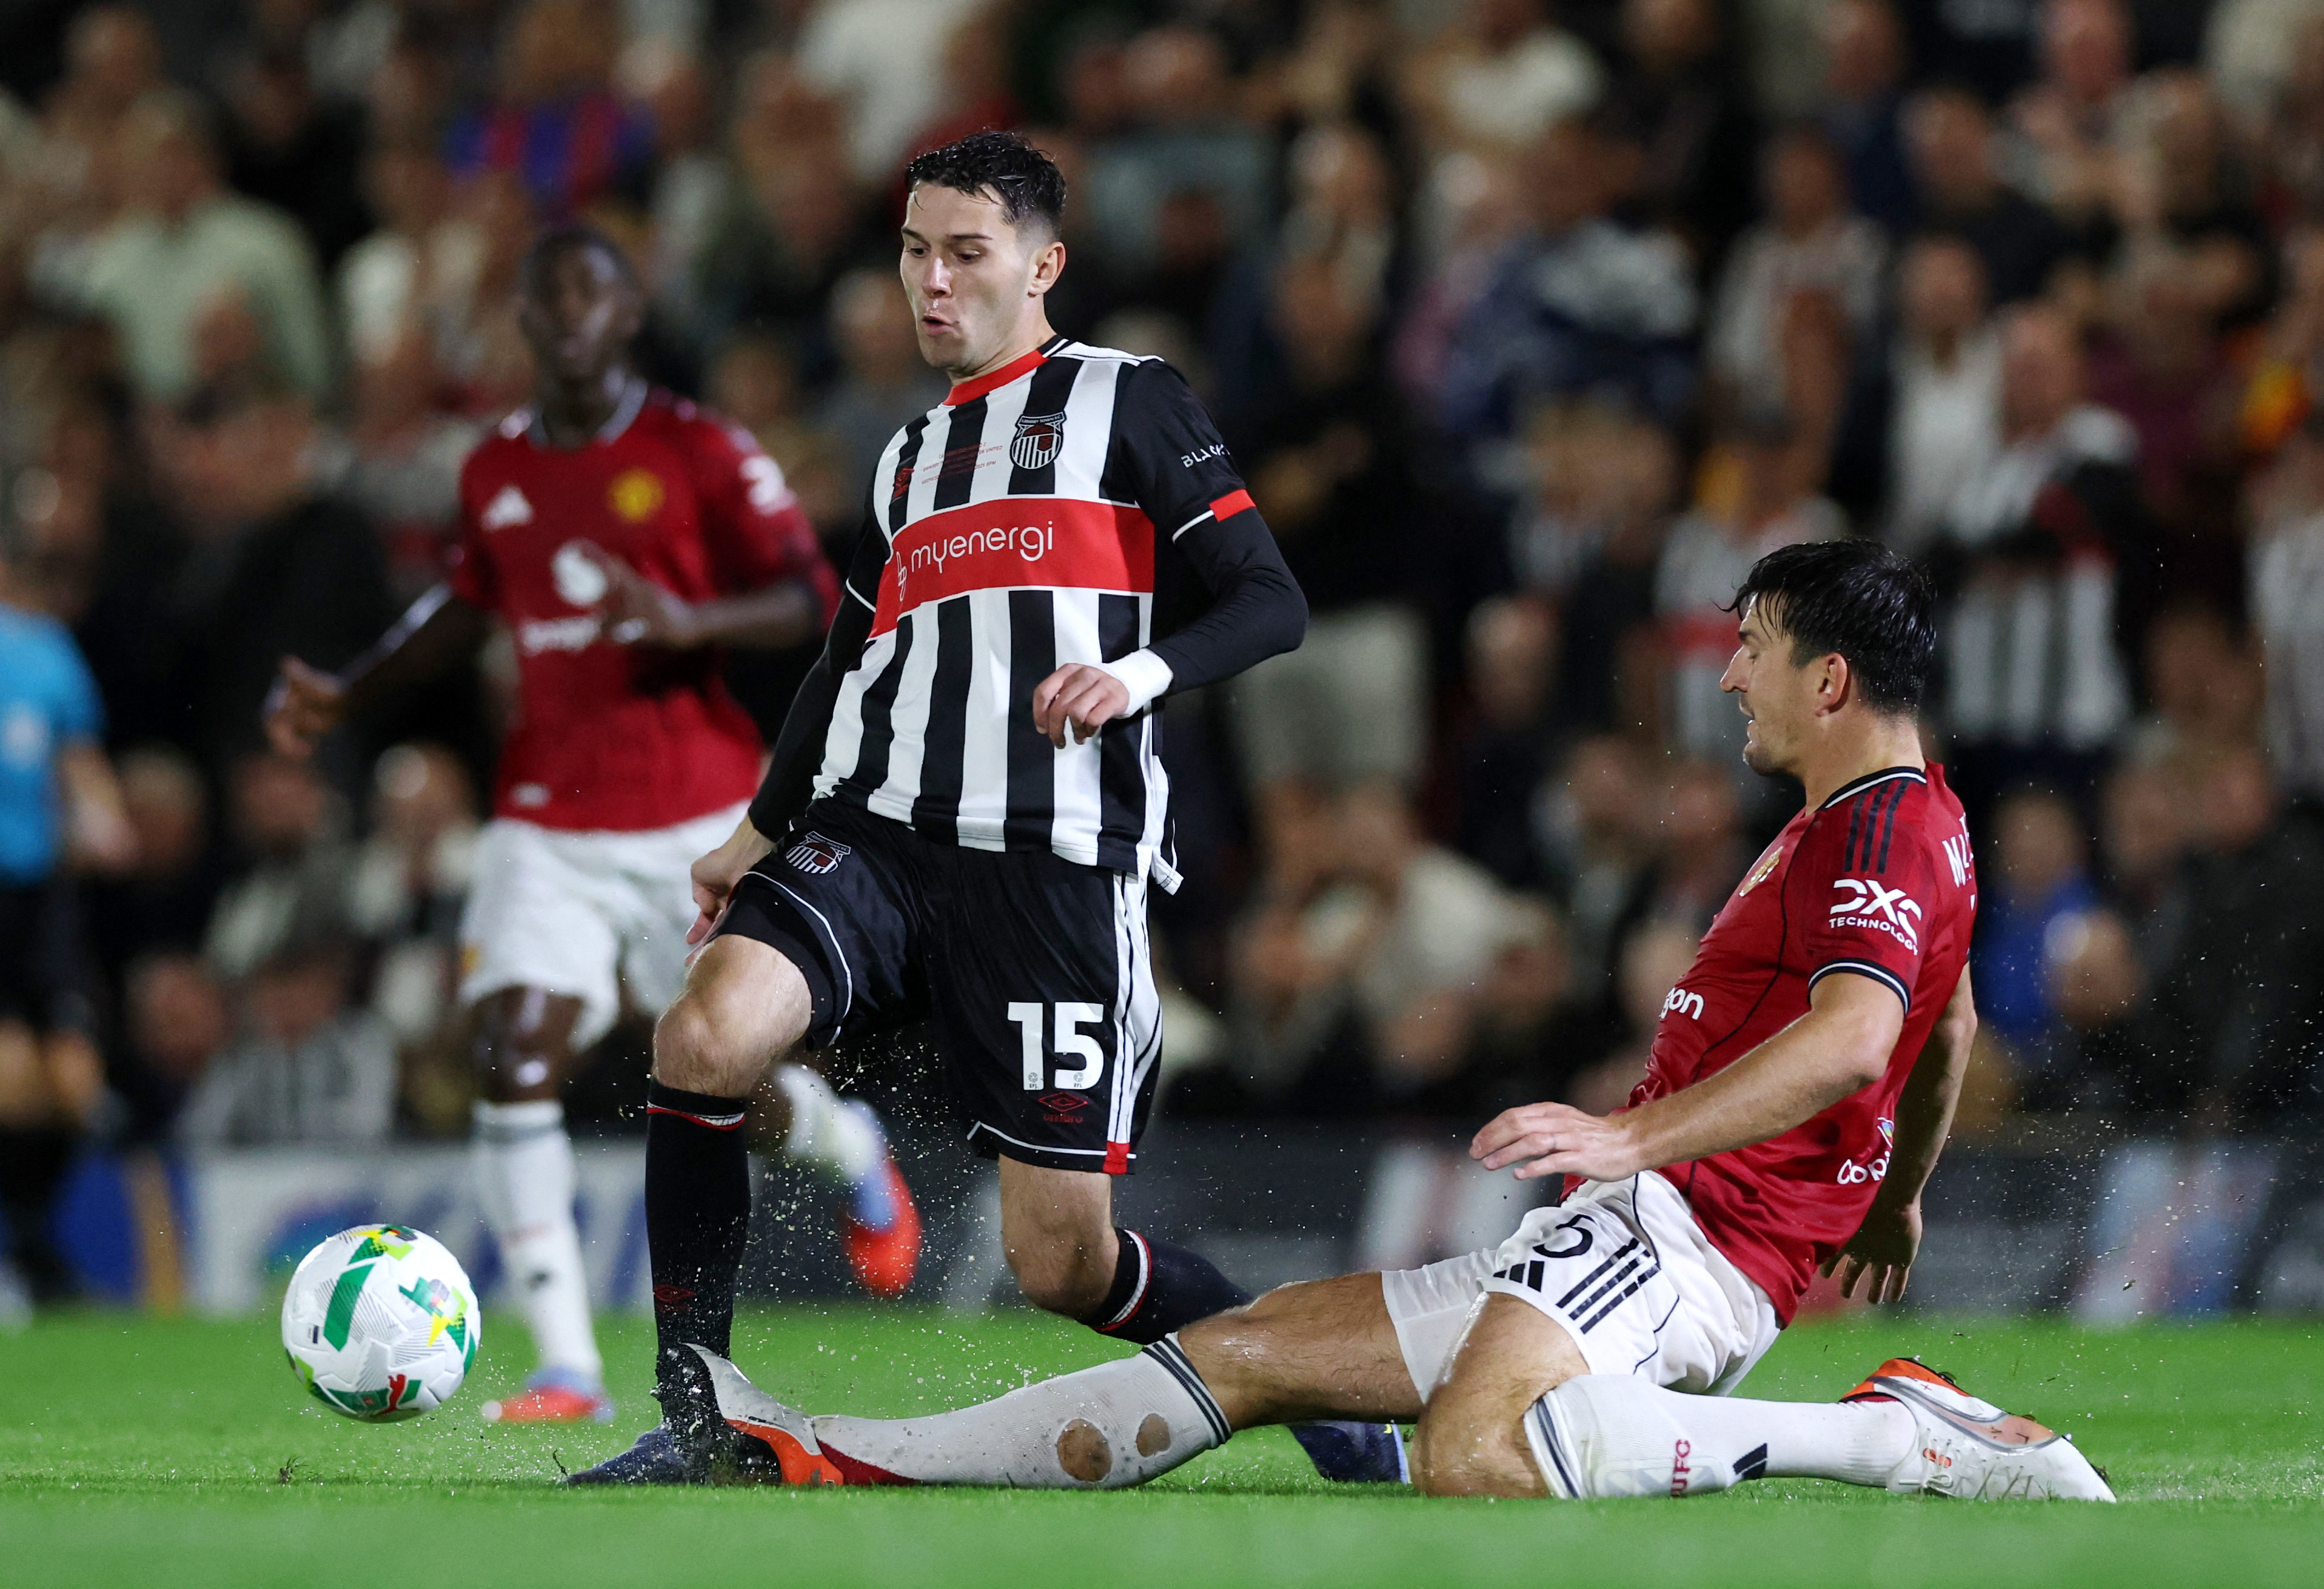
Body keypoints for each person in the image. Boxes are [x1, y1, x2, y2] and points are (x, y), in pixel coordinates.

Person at [663, 540, 2114, 1507]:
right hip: (1661, 1226)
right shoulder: (1917, 824)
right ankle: (834, 1451)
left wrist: (1634, 1135)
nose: (1731, 673)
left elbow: (1861, 1037)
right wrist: (1898, 1193)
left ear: (1830, 678)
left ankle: (1889, 1435)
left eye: (1754, 647)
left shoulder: (1875, 828)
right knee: (1253, 1346)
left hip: (1689, 1236)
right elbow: (1943, 1023)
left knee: (1476, 1453)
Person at [571, 131, 1398, 1487]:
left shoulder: (1129, 399)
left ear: (1043, 265)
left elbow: (1271, 599)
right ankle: (698, 1409)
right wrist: (754, 835)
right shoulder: (905, 459)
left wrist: (1136, 673)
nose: (933, 281)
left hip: (1054, 861)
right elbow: (844, 664)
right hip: (885, 835)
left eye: (967, 252)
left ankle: (1309, 1378)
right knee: (705, 1032)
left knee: (1062, 1262)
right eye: (915, 251)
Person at [264, 224, 921, 1426]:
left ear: (628, 314)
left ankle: (846, 1144)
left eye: (592, 292)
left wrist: (688, 619)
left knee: (727, 1074)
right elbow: (468, 601)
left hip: (692, 812)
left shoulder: (700, 448)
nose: (569, 311)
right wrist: (350, 688)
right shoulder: (496, 466)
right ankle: (567, 1366)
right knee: (514, 1052)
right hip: (546, 820)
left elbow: (811, 596)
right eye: (549, 294)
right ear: (525, 320)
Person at [0, 506, 135, 1321]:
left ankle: (29, 1237)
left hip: (40, 894)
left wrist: (104, 817)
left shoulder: (46, 653)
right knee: (11, 1077)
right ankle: (30, 1253)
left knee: (75, 1082)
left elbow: (79, 761)